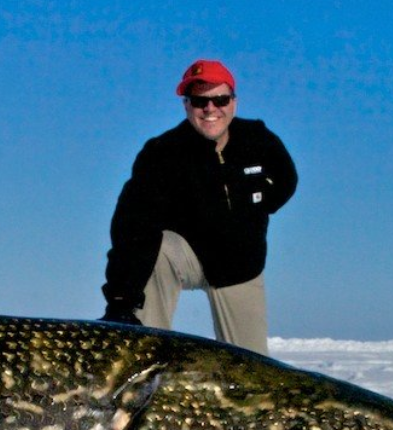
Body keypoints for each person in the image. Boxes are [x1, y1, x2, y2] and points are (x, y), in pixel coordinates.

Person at [100, 59, 298, 355]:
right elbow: (131, 226)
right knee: (157, 248)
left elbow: (286, 179)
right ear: (186, 105)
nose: (210, 109)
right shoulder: (162, 153)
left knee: (251, 368)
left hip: (240, 267)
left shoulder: (258, 139)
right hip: (188, 257)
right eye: (199, 101)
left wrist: (257, 208)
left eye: (220, 99)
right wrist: (119, 300)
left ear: (234, 102)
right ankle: (144, 355)